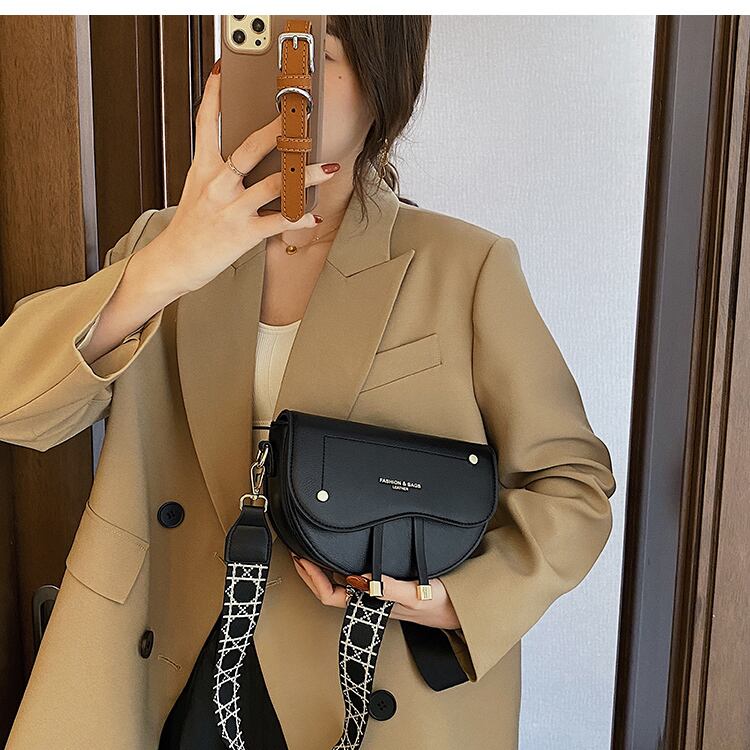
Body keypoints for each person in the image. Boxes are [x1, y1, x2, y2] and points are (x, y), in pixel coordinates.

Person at [0, 16, 616, 750]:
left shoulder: (463, 265)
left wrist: (456, 599)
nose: (288, 87)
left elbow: (571, 485)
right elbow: (14, 406)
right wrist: (166, 267)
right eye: (258, 49)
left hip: (359, 672)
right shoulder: (161, 249)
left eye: (313, 56)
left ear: (382, 85)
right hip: (164, 660)